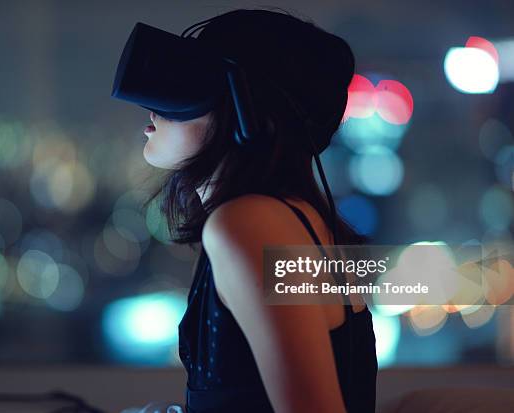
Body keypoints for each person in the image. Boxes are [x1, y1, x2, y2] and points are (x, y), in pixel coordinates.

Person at [115, 8, 377, 413]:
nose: (155, 105)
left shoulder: (248, 224)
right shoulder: (291, 217)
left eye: (192, 83)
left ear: (244, 108)